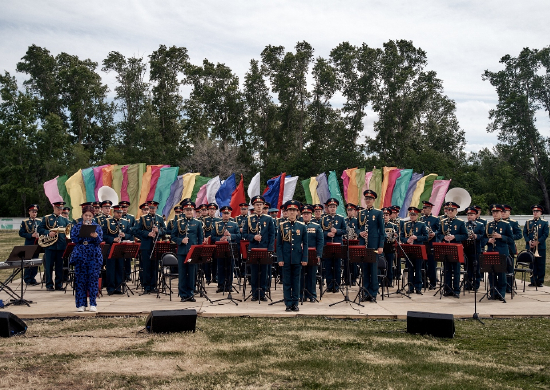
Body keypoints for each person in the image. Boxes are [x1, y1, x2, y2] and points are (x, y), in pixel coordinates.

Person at [69, 205, 103, 312]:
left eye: (90, 215)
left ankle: (93, 303)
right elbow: (73, 238)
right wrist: (82, 232)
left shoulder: (97, 226)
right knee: (81, 280)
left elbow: (100, 240)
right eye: (86, 215)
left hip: (93, 254)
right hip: (81, 253)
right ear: (82, 215)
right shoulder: (77, 226)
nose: (88, 217)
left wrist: (95, 236)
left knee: (93, 279)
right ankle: (81, 304)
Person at [242, 195, 275, 301]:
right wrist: (253, 237)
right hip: (253, 248)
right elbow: (245, 234)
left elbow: (272, 235)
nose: (259, 207)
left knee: (264, 271)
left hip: (265, 248)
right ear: (254, 206)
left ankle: (263, 292)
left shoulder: (269, 219)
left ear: (263, 205)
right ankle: (255, 293)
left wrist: (270, 249)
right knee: (254, 271)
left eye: (260, 205)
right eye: (257, 205)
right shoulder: (249, 218)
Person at [277, 200, 308, 311]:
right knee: (286, 282)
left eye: (294, 210)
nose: (291, 212)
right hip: (285, 258)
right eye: (290, 210)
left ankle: (295, 303)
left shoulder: (302, 226)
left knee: (296, 281)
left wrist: (305, 258)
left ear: (297, 212)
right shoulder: (282, 226)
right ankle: (288, 303)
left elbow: (305, 243)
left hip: (297, 257)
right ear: (287, 211)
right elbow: (279, 244)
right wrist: (279, 258)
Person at [171, 200, 204, 302]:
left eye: (190, 210)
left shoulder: (198, 223)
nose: (189, 212)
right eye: (187, 210)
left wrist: (198, 251)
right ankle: (183, 294)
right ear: (183, 211)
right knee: (182, 273)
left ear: (193, 211)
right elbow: (173, 236)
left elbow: (200, 238)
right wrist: (181, 240)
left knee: (192, 273)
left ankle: (190, 294)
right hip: (182, 252)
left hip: (192, 252)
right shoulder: (179, 222)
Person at [357, 190, 385, 302]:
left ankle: (373, 293)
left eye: (370, 199)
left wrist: (381, 246)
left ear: (373, 200)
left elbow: (382, 231)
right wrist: (360, 232)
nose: (368, 200)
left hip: (374, 245)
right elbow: (358, 227)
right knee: (365, 269)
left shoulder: (378, 213)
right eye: (366, 199)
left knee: (373, 269)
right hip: (364, 244)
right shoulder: (361, 213)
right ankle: (365, 292)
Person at [133, 200, 166, 294]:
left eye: (153, 208)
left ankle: (154, 285)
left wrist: (158, 231)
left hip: (155, 245)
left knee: (155, 266)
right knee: (146, 266)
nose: (152, 210)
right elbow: (136, 230)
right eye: (150, 208)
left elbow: (165, 230)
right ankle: (146, 286)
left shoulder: (159, 218)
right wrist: (147, 234)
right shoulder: (143, 218)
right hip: (146, 245)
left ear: (156, 209)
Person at [436, 201, 467, 297]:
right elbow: (439, 233)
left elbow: (465, 235)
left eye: (452, 210)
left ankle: (456, 290)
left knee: (456, 270)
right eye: (448, 210)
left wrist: (455, 237)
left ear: (456, 211)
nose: (449, 212)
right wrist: (443, 237)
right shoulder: (443, 222)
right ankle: (447, 288)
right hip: (446, 248)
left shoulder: (460, 222)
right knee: (447, 269)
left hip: (456, 248)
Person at [37, 201, 69, 291]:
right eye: (58, 208)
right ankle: (49, 284)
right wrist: (48, 232)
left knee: (59, 267)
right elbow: (40, 229)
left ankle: (58, 284)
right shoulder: (47, 218)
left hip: (61, 246)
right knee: (49, 266)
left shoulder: (64, 220)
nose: (60, 210)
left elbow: (68, 230)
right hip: (50, 246)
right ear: (54, 208)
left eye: (61, 209)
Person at [102, 204, 133, 295]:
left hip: (121, 248)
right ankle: (111, 288)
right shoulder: (107, 221)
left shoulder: (125, 222)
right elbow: (103, 235)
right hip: (111, 248)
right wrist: (113, 239)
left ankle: (118, 287)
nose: (119, 214)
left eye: (121, 212)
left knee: (120, 268)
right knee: (111, 269)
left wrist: (125, 236)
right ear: (114, 212)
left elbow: (130, 234)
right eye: (117, 212)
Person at [486, 204, 513, 301]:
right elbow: (484, 237)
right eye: (493, 212)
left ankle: (501, 293)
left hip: (501, 252)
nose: (495, 214)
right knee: (491, 273)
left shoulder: (506, 224)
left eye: (497, 212)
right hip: (491, 251)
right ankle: (493, 293)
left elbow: (511, 239)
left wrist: (501, 237)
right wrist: (488, 241)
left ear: (501, 213)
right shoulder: (489, 224)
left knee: (501, 273)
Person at [211, 206, 241, 293]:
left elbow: (239, 236)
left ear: (230, 214)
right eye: (224, 213)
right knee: (220, 266)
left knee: (230, 267)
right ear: (221, 214)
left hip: (230, 248)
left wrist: (231, 236)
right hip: (220, 248)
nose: (226, 215)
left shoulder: (234, 224)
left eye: (228, 213)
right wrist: (219, 239)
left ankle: (229, 285)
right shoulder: (217, 224)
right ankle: (220, 285)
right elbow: (213, 237)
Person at [400, 207, 428, 294]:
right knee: (410, 269)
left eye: (414, 215)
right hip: (409, 249)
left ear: (417, 215)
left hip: (418, 249)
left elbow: (426, 237)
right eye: (411, 215)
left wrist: (417, 238)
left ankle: (418, 287)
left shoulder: (421, 224)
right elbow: (401, 236)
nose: (412, 216)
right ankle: (410, 287)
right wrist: (406, 240)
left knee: (418, 269)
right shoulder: (406, 224)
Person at [320, 198, 346, 292]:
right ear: (327, 208)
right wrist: (327, 234)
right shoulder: (324, 219)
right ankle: (329, 285)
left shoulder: (341, 218)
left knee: (337, 266)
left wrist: (337, 231)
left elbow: (345, 231)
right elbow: (319, 232)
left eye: (334, 207)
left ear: (336, 207)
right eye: (330, 207)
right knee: (328, 265)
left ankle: (337, 285)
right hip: (327, 245)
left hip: (337, 244)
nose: (332, 208)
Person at [300, 204, 324, 302]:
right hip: (300, 254)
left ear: (311, 214)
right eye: (304, 214)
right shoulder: (298, 225)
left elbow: (320, 241)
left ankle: (312, 295)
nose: (306, 215)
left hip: (312, 254)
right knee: (301, 275)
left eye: (308, 213)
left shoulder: (316, 226)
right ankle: (301, 294)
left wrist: (318, 254)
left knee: (312, 275)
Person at [523, 204, 549, 287]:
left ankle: (540, 281)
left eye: (537, 211)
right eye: (534, 211)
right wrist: (529, 241)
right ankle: (533, 280)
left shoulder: (544, 222)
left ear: (540, 213)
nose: (535, 213)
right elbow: (525, 233)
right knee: (532, 264)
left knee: (541, 264)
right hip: (531, 246)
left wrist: (538, 242)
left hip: (540, 247)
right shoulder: (528, 222)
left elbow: (545, 234)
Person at [463, 207, 486, 291]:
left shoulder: (480, 225)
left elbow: (483, 236)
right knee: (467, 267)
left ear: (475, 216)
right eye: (468, 215)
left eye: (471, 215)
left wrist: (476, 236)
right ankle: (468, 283)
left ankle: (476, 284)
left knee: (476, 267)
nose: (469, 216)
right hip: (467, 248)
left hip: (476, 248)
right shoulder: (465, 225)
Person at [419, 200, 440, 289]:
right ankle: (424, 282)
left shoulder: (435, 219)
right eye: (423, 208)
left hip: (431, 244)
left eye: (426, 208)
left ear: (430, 209)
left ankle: (433, 283)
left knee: (431, 265)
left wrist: (434, 233)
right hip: (423, 244)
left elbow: (440, 231)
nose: (424, 210)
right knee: (423, 265)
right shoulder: (421, 219)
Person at [18, 204, 41, 286]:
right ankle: (27, 278)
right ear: (29, 212)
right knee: (28, 262)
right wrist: (31, 235)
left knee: (35, 261)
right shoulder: (25, 222)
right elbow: (21, 233)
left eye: (35, 212)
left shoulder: (39, 221)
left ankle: (33, 278)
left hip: (37, 244)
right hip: (29, 243)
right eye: (32, 212)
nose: (34, 213)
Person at [502, 204, 522, 292]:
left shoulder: (513, 222)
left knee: (509, 267)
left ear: (509, 213)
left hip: (510, 247)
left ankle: (509, 287)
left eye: (505, 212)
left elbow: (519, 235)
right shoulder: (497, 223)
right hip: (500, 247)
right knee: (501, 268)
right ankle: (502, 285)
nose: (503, 213)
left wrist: (509, 237)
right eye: (501, 212)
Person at [382, 208, 398, 287]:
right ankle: (381, 281)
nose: (385, 216)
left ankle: (389, 281)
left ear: (389, 216)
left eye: (387, 215)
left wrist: (395, 236)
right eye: (384, 215)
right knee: (380, 265)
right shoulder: (379, 225)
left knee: (389, 265)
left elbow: (397, 237)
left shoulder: (393, 225)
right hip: (381, 246)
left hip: (390, 247)